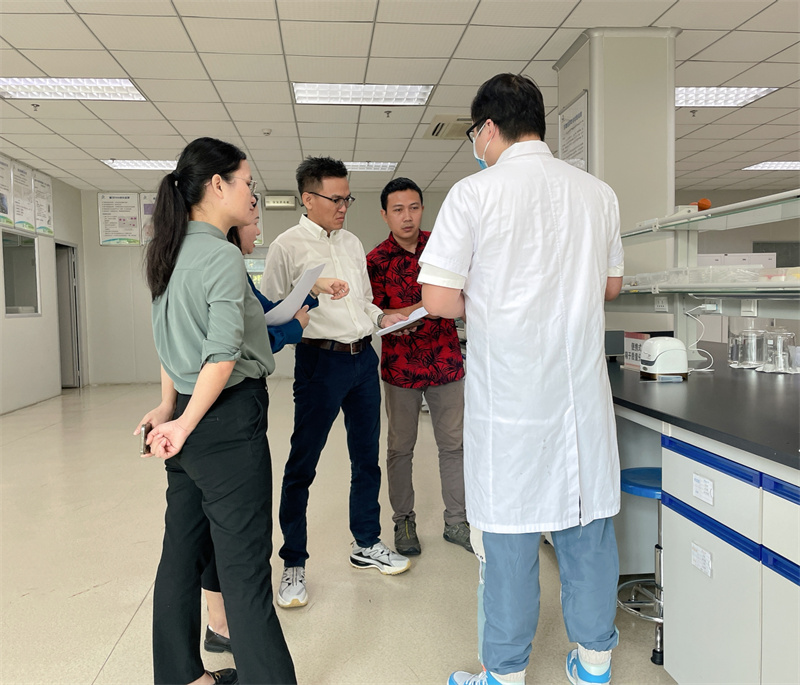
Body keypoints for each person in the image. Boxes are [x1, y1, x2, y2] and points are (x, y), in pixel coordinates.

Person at [418, 74, 625, 685]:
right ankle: (594, 662)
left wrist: (491, 300)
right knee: (586, 525)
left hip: (511, 398)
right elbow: (612, 285)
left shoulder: (474, 194)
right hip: (579, 397)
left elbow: (437, 299)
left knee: (508, 534)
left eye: (473, 134)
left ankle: (504, 673)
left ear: (487, 128)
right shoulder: (598, 193)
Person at [134, 137, 296, 685]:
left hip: (186, 420)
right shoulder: (223, 256)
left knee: (178, 558)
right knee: (244, 570)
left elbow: (168, 341)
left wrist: (170, 408)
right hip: (223, 423)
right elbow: (222, 355)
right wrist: (184, 421)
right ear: (217, 185)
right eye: (247, 182)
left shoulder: (166, 250)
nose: (252, 193)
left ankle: (182, 676)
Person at [261, 156, 411, 610]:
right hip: (319, 363)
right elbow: (271, 312)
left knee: (366, 459)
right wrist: (311, 291)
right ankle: (293, 562)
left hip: (363, 359)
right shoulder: (286, 247)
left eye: (348, 198)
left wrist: (381, 318)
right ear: (308, 199)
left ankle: (366, 542)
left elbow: (363, 300)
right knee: (302, 465)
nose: (344, 207)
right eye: (336, 199)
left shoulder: (351, 242)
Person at [202, 208, 349, 656]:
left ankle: (220, 622)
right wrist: (293, 330)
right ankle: (231, 625)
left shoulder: (223, 269)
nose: (258, 229)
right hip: (228, 405)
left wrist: (310, 295)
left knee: (218, 522)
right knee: (238, 524)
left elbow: (267, 313)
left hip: (224, 405)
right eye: (252, 220)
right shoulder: (224, 267)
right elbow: (249, 341)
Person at [366, 177, 471, 556]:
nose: (407, 216)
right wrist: (413, 310)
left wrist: (411, 310)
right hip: (401, 368)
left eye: (413, 208)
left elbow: (464, 293)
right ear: (385, 215)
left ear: (423, 209)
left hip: (446, 361)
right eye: (398, 210)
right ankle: (403, 521)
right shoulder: (375, 261)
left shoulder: (442, 249)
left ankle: (457, 521)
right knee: (400, 448)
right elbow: (374, 312)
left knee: (454, 445)